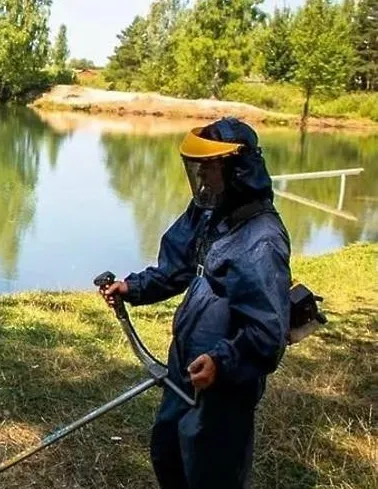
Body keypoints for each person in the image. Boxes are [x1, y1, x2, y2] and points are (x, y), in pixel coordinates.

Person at [100, 117, 291, 488]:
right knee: (168, 452)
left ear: (237, 169)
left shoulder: (260, 240)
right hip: (184, 365)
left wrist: (222, 363)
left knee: (211, 470)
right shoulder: (208, 211)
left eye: (211, 167)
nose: (201, 176)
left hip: (223, 381)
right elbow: (177, 266)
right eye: (198, 167)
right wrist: (133, 288)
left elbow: (267, 333)